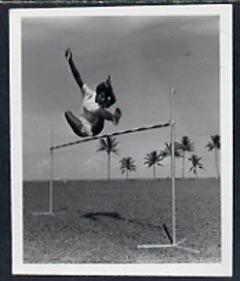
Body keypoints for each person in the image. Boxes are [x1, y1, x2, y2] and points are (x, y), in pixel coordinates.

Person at [64, 48, 121, 137]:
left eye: (105, 98)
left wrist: (110, 88)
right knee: (67, 113)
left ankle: (113, 118)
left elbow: (113, 100)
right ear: (97, 94)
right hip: (81, 126)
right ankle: (82, 129)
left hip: (94, 128)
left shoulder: (102, 105)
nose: (102, 99)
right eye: (101, 96)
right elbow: (77, 77)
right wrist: (70, 61)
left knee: (100, 112)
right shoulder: (88, 93)